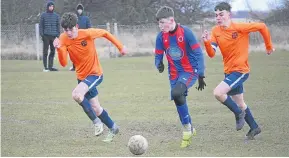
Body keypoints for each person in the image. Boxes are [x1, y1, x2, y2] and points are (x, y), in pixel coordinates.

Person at [202, 2, 274, 140]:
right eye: (216, 15)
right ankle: (254, 127)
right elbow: (211, 53)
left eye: (221, 14)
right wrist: (206, 42)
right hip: (229, 71)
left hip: (241, 70)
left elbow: (262, 26)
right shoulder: (215, 31)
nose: (218, 17)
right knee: (240, 103)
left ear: (229, 14)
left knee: (218, 92)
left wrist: (268, 46)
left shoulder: (240, 27)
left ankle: (237, 113)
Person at [53, 12, 127, 142]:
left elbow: (105, 33)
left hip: (95, 74)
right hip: (81, 78)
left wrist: (120, 47)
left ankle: (96, 122)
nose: (68, 32)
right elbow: (64, 63)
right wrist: (59, 49)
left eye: (71, 29)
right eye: (66, 30)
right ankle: (113, 127)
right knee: (96, 108)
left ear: (76, 26)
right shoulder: (63, 38)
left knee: (76, 94)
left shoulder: (87, 34)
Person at [154, 6, 206, 148]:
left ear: (171, 20)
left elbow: (198, 54)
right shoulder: (161, 37)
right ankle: (190, 127)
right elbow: (158, 54)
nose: (160, 26)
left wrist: (201, 74)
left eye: (162, 22)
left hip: (189, 71)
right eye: (158, 23)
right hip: (174, 74)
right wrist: (158, 64)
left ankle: (187, 130)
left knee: (177, 93)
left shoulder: (186, 33)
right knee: (178, 99)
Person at [69, 3, 92, 71]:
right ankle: (74, 66)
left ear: (82, 10)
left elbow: (89, 28)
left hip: (84, 38)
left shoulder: (86, 18)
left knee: (84, 53)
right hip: (75, 38)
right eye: (78, 9)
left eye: (80, 9)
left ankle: (86, 66)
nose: (79, 11)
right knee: (75, 53)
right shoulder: (74, 18)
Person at [39, 1, 60, 72]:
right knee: (45, 52)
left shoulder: (56, 16)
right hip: (46, 36)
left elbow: (58, 26)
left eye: (52, 6)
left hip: (54, 36)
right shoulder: (43, 15)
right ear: (48, 7)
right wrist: (42, 35)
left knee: (53, 51)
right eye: (50, 6)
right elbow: (41, 26)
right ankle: (45, 67)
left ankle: (50, 67)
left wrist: (58, 35)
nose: (51, 7)